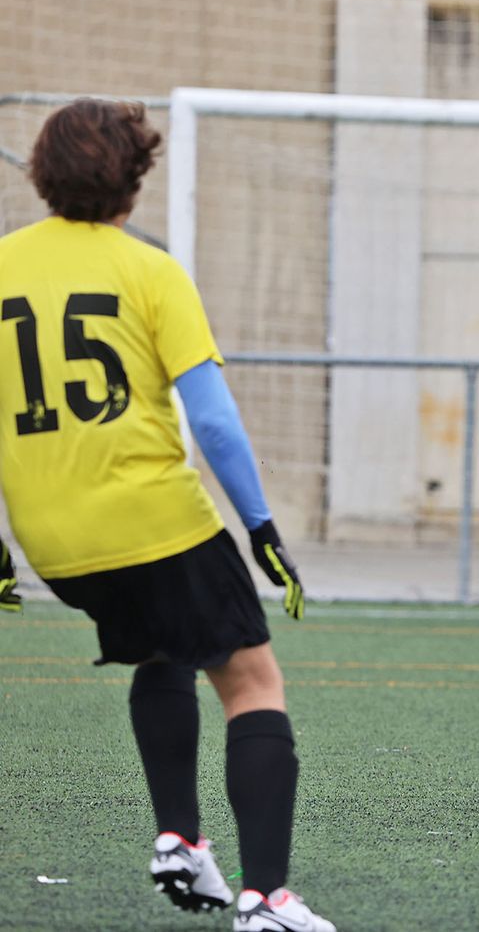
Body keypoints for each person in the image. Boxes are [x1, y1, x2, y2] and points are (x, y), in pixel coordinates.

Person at [0, 99, 334, 932]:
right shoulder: (149, 269)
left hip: (55, 544)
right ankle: (267, 897)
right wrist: (261, 530)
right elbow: (213, 420)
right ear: (134, 177)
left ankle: (181, 840)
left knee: (164, 647)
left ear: (43, 175)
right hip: (154, 521)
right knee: (252, 677)